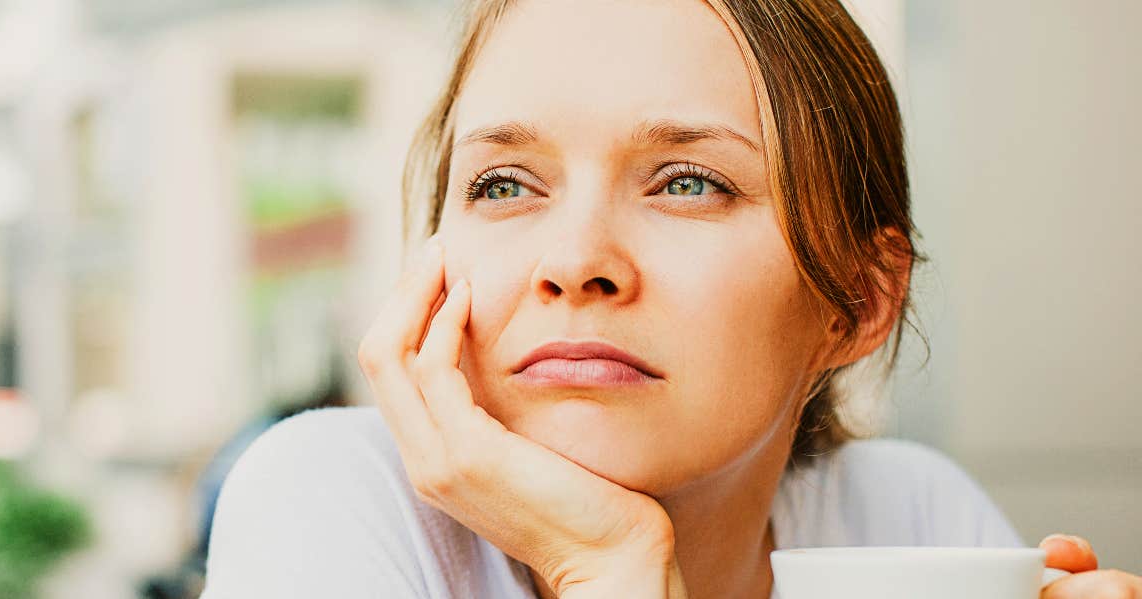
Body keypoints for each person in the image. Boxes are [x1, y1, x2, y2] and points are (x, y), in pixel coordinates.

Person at [198, 1, 1142, 597]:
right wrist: (603, 566)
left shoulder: (916, 525)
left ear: (855, 300)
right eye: (504, 184)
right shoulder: (329, 500)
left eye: (687, 182)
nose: (574, 263)